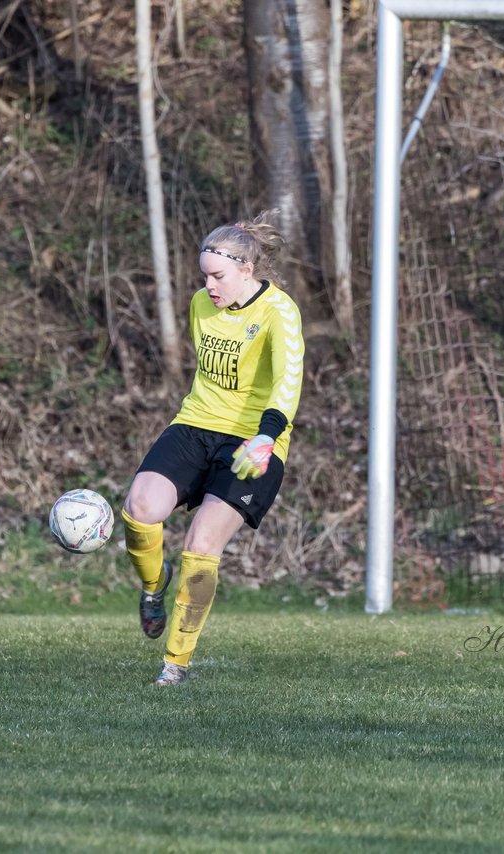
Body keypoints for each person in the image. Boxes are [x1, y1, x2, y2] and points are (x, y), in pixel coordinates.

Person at [121, 211, 305, 686]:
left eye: (218, 276)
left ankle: (174, 663)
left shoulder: (279, 311)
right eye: (204, 275)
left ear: (248, 269)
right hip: (196, 425)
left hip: (255, 441)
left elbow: (288, 381)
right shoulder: (201, 305)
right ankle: (152, 586)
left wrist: (266, 436)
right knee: (141, 507)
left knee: (202, 543)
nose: (209, 285)